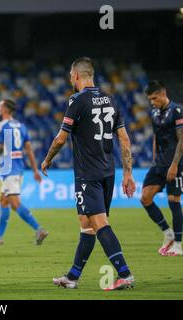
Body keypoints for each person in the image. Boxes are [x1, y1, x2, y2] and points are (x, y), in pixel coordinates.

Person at [41, 57, 136, 291]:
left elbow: (61, 138)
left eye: (70, 76)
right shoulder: (111, 100)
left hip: (88, 174)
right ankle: (72, 276)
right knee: (86, 224)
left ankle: (125, 273)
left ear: (75, 76)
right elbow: (124, 139)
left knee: (99, 223)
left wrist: (47, 159)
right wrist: (128, 174)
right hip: (108, 171)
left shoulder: (77, 100)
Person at [0, 99, 48, 246]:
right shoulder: (21, 126)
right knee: (4, 201)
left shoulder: (1, 126)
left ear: (5, 109)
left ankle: (39, 229)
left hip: (9, 168)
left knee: (14, 203)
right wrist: (35, 170)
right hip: (18, 167)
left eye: (0, 106)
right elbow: (29, 150)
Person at [140, 81, 183, 256]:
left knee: (173, 201)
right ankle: (168, 233)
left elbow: (182, 139)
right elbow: (156, 137)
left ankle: (179, 245)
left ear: (163, 93)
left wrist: (174, 165)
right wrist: (154, 159)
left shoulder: (177, 110)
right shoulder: (155, 112)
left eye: (155, 98)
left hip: (176, 163)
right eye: (150, 99)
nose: (152, 102)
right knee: (145, 197)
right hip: (159, 163)